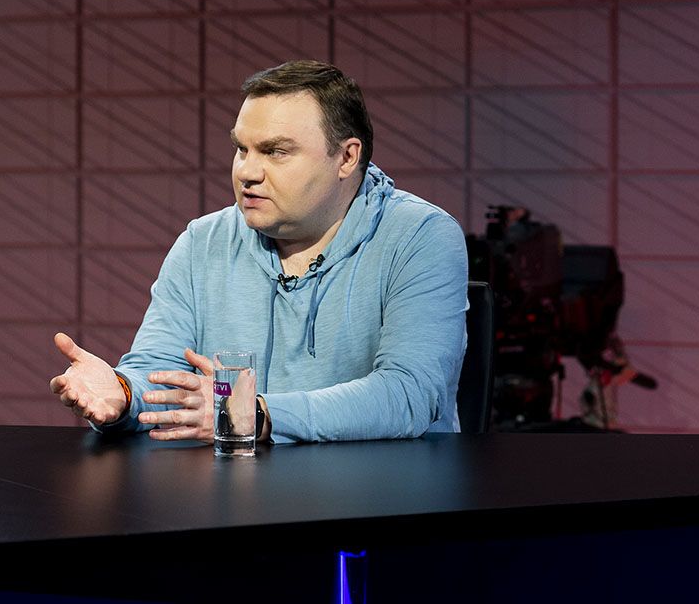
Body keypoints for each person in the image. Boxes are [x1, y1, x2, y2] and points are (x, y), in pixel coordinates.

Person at [49, 60, 468, 443]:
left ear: (346, 157)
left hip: (381, 493)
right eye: (241, 149)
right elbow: (160, 379)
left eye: (275, 151)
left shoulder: (420, 237)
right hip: (235, 493)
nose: (247, 172)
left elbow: (409, 394)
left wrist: (260, 414)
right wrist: (123, 394)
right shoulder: (202, 242)